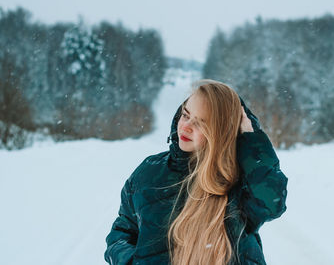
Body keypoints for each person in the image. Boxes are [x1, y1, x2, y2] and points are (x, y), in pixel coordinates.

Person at [104, 79, 288, 265]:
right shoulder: (150, 170)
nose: (185, 127)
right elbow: (123, 231)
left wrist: (250, 138)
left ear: (220, 132)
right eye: (185, 115)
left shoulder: (238, 180)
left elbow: (271, 202)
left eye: (201, 123)